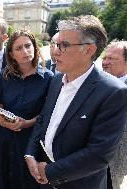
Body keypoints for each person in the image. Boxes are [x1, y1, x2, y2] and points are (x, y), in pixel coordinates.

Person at [25, 15, 127, 189]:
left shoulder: (114, 92)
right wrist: (30, 154)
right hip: (44, 180)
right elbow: (44, 119)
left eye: (64, 45)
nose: (55, 51)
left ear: (89, 50)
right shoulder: (56, 80)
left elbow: (99, 154)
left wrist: (50, 172)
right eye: (56, 44)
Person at [0, 30, 53, 189]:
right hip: (3, 138)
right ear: (11, 54)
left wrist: (28, 123)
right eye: (19, 48)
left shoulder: (49, 78)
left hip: (30, 141)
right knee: (1, 179)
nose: (25, 51)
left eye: (28, 46)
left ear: (35, 47)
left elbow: (49, 113)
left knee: (26, 182)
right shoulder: (4, 76)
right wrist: (0, 118)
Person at [102, 41, 127, 189]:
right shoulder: (101, 84)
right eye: (105, 58)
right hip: (91, 161)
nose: (105, 62)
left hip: (116, 163)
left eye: (111, 59)